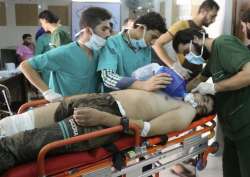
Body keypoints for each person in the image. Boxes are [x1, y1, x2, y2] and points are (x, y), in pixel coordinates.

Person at [0, 88, 214, 174]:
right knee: (12, 124)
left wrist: (104, 118)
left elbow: (147, 129)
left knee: (16, 146)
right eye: (203, 96)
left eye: (205, 103)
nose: (200, 99)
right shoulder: (176, 93)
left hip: (104, 117)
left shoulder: (186, 111)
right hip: (100, 100)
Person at [172, 28, 250, 177]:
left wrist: (216, 87)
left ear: (195, 38)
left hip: (246, 125)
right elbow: (197, 81)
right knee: (231, 172)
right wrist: (177, 93)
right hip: (232, 129)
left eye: (188, 51)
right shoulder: (213, 58)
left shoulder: (224, 44)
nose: (189, 57)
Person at [20, 7, 112, 102]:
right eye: (104, 29)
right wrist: (47, 92)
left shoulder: (98, 54)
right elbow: (25, 65)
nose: (108, 34)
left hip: (89, 108)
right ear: (88, 31)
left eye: (109, 29)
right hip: (66, 110)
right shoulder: (65, 52)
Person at [97, 12, 171, 92]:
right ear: (141, 28)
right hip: (116, 99)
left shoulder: (146, 48)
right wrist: (142, 85)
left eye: (157, 39)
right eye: (153, 37)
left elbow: (144, 75)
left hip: (137, 98)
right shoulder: (112, 43)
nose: (153, 42)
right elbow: (108, 77)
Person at [153, 0, 219, 79]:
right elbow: (157, 44)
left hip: (196, 77)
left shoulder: (203, 32)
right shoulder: (182, 25)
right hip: (183, 76)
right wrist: (173, 65)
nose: (213, 20)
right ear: (203, 11)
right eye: (212, 16)